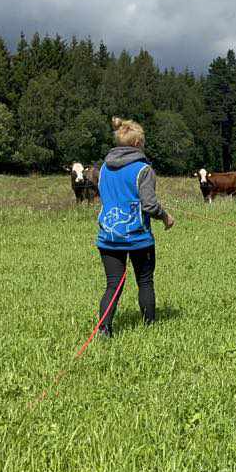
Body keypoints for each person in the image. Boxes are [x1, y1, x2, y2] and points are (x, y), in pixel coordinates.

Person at [94, 117, 174, 337]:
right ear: (138, 144)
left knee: (113, 284)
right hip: (138, 238)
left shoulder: (102, 169)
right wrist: (166, 217)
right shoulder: (143, 170)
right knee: (145, 281)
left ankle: (104, 328)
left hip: (108, 236)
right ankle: (150, 327)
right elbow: (149, 205)